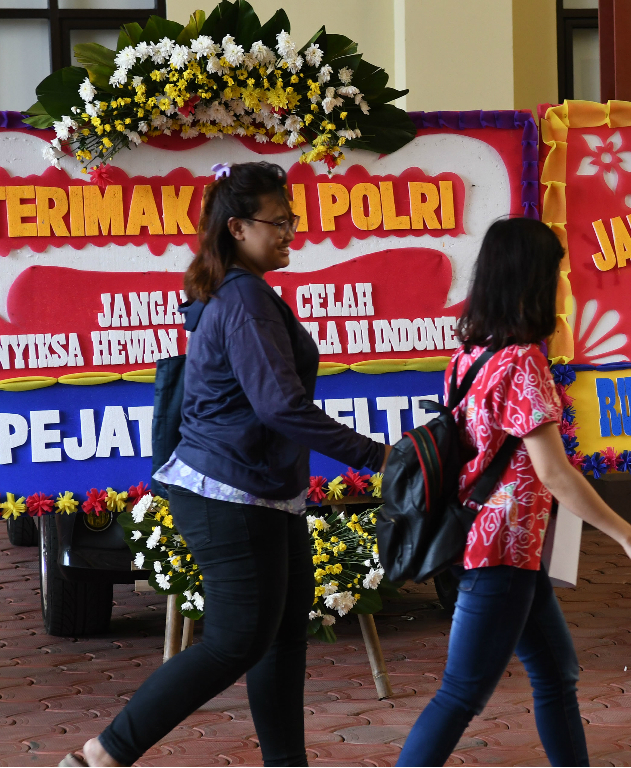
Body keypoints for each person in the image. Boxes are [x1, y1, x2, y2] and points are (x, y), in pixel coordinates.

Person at [64, 162, 388, 768]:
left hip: (262, 490)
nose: (292, 231)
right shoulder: (243, 298)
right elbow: (280, 405)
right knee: (237, 641)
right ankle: (102, 755)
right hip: (229, 492)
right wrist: (377, 458)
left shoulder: (246, 292)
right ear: (238, 227)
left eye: (293, 219)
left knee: (283, 635)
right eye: (280, 221)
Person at [396, 217, 631, 767]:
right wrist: (630, 538)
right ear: (533, 280)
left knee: (555, 674)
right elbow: (555, 473)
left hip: (488, 543)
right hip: (500, 550)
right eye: (556, 272)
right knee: (461, 693)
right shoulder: (523, 361)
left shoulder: (469, 356)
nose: (563, 282)